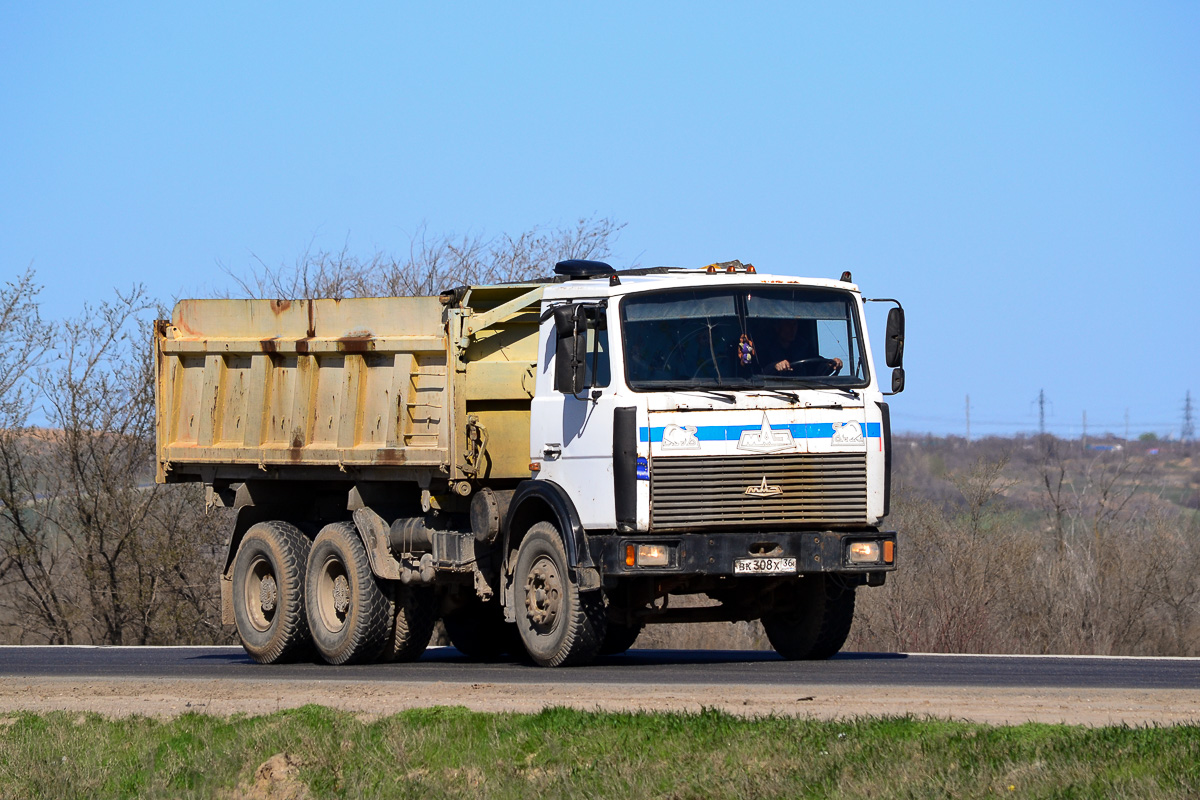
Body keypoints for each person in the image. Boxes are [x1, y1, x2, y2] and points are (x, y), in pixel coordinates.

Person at [755, 318, 843, 377]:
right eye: (788, 324)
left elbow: (815, 366)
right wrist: (775, 367)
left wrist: (830, 364)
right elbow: (759, 373)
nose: (792, 329)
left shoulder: (803, 348)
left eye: (794, 324)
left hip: (803, 391)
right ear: (778, 327)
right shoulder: (765, 349)